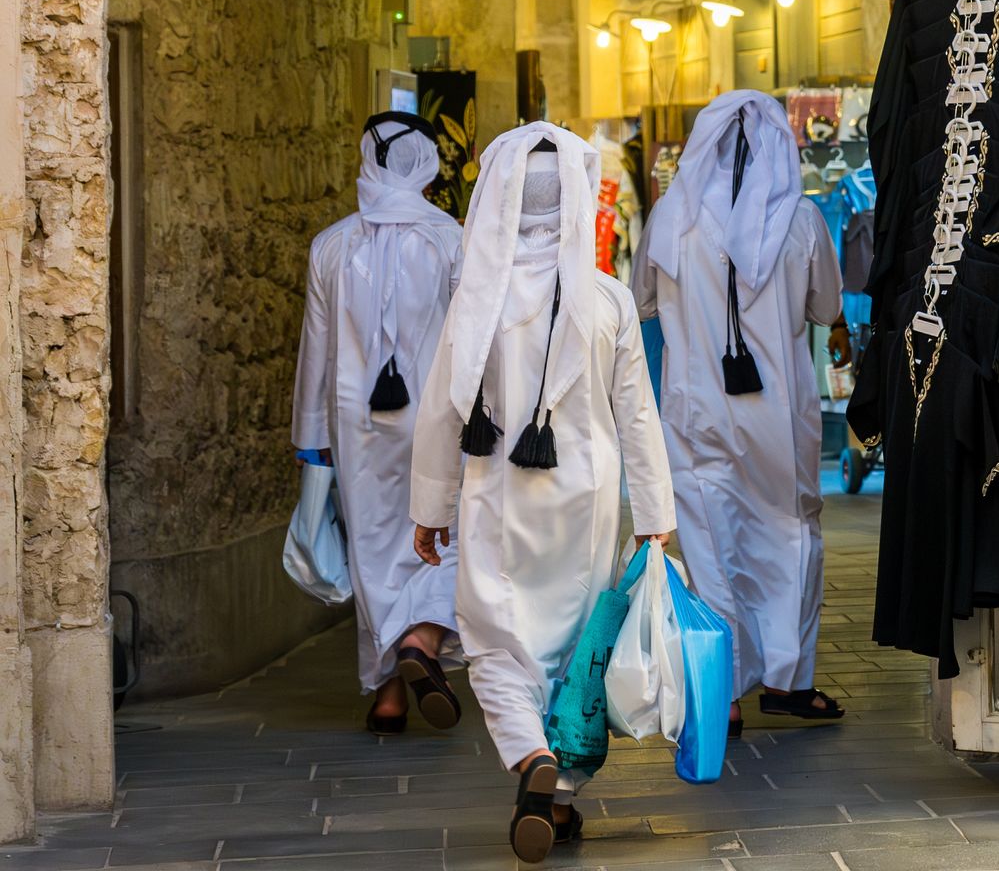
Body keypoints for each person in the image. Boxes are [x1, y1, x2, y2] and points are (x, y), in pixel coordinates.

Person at [409, 124, 674, 864]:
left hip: (496, 494)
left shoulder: (476, 301)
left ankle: (530, 758)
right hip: (585, 503)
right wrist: (654, 516)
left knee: (494, 640)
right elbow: (637, 412)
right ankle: (555, 801)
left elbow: (441, 406)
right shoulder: (610, 301)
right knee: (573, 649)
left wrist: (429, 507)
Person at [634, 90, 844, 722]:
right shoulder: (801, 221)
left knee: (711, 540)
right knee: (788, 536)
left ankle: (721, 690)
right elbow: (827, 309)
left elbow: (640, 300)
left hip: (696, 412)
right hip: (778, 418)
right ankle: (787, 681)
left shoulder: (671, 219)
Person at [291, 111, 466, 734]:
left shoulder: (332, 245)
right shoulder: (451, 239)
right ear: (425, 163)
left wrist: (311, 440)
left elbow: (316, 349)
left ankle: (388, 693)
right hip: (437, 421)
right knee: (443, 536)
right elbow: (472, 342)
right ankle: (422, 639)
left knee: (373, 550)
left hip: (355, 425)